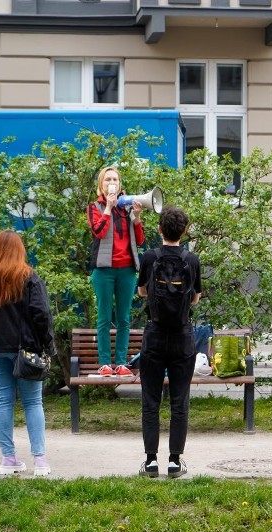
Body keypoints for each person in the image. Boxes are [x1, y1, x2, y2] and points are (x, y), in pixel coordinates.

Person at [0, 231, 55, 476]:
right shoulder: (27, 276)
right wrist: (47, 345)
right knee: (33, 402)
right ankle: (40, 461)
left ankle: (9, 459)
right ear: (19, 250)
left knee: (3, 401)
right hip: (25, 348)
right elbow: (42, 314)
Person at [136, 206, 202, 478]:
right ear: (184, 231)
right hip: (182, 337)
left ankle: (151, 461)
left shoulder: (150, 257)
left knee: (150, 400)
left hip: (154, 335)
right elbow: (196, 297)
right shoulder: (192, 259)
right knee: (179, 400)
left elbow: (141, 292)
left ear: (159, 229)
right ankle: (175, 461)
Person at [88, 166, 145, 377]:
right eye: (107, 179)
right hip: (103, 271)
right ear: (101, 185)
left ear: (120, 185)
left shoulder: (128, 206)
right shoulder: (94, 206)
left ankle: (121, 362)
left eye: (115, 179)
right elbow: (99, 231)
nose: (111, 183)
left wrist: (137, 217)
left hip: (126, 270)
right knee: (103, 317)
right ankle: (104, 363)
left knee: (124, 319)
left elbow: (139, 240)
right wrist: (107, 208)